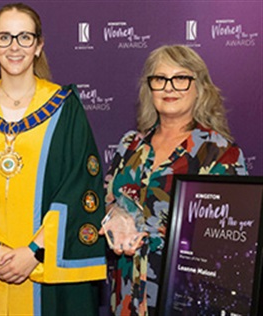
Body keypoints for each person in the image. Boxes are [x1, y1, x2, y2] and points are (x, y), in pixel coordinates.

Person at [0, 3, 106, 315]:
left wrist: (33, 252)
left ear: (39, 45)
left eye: (25, 37)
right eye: (4, 37)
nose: (14, 47)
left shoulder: (65, 108)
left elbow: (79, 186)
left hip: (44, 268)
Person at [100, 45, 247, 315]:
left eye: (180, 78)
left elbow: (231, 241)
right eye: (160, 79)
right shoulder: (129, 145)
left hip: (182, 299)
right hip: (124, 296)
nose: (169, 87)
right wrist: (114, 216)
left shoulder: (220, 153)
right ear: (150, 88)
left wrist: (156, 237)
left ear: (199, 87)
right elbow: (105, 202)